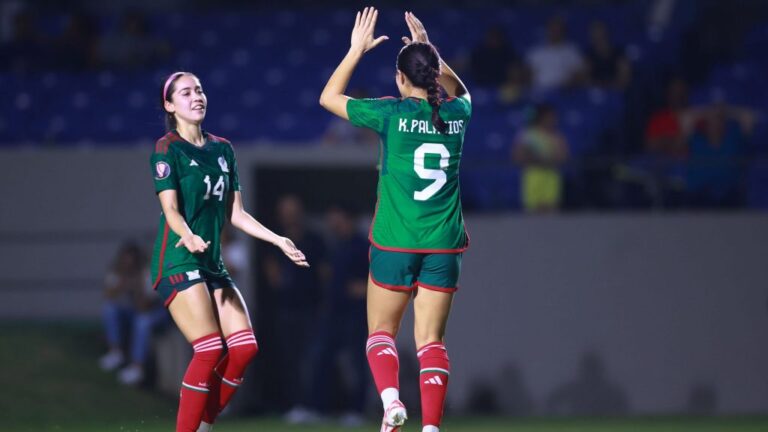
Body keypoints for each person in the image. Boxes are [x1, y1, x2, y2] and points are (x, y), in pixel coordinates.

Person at [319, 9, 471, 432]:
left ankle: (390, 403)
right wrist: (432, 55)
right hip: (444, 244)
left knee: (380, 332)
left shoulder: (390, 114)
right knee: (431, 342)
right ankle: (431, 427)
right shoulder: (458, 114)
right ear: (435, 74)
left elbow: (328, 98)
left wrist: (355, 51)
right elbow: (460, 90)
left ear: (401, 79)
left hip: (395, 241)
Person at [150, 71, 309, 432]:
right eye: (186, 92)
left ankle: (203, 423)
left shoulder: (223, 148)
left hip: (211, 264)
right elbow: (171, 210)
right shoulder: (167, 148)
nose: (197, 97)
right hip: (178, 258)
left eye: (200, 90)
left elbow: (236, 214)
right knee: (208, 350)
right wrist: (188, 236)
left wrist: (278, 240)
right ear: (170, 105)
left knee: (244, 349)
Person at [99, 241, 170, 386]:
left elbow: (144, 306)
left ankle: (137, 367)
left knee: (141, 321)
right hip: (127, 312)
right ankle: (115, 352)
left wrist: (137, 287)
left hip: (152, 312)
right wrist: (123, 284)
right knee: (109, 309)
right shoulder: (117, 272)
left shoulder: (146, 275)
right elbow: (108, 295)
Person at [512, 104, 569, 213]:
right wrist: (535, 158)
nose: (553, 120)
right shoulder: (528, 135)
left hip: (552, 174)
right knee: (533, 212)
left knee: (552, 210)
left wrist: (552, 158)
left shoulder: (557, 137)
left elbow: (564, 156)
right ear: (542, 117)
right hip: (534, 174)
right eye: (550, 117)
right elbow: (517, 156)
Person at [526, 16, 585, 91]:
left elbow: (581, 73)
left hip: (565, 92)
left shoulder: (572, 51)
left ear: (563, 31)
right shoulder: (536, 51)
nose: (555, 32)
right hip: (541, 93)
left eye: (558, 30)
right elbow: (527, 76)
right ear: (547, 30)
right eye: (552, 29)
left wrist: (572, 82)